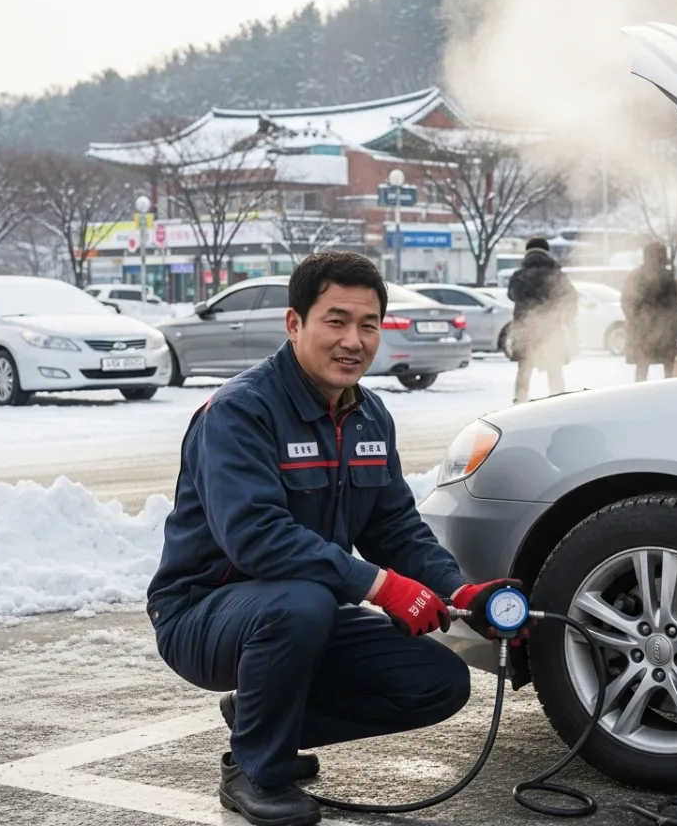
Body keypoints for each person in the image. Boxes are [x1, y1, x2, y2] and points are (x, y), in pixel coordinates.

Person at [145, 251, 517, 826]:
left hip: (301, 613)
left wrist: (458, 592)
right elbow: (257, 539)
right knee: (302, 600)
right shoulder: (240, 413)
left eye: (368, 324)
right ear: (295, 324)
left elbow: (393, 527)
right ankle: (256, 768)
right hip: (202, 616)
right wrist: (380, 586)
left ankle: (260, 718)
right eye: (336, 321)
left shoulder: (369, 416)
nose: (353, 340)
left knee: (438, 681)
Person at [507, 237, 578, 404]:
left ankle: (520, 402)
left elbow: (511, 295)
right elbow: (571, 298)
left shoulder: (520, 275)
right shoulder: (556, 275)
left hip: (526, 329)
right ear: (547, 252)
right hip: (551, 329)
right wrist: (566, 320)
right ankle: (558, 401)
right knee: (554, 367)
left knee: (524, 368)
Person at [621, 240, 677, 382]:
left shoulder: (635, 276)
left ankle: (639, 397)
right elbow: (674, 307)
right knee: (668, 369)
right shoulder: (668, 278)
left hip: (641, 332)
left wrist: (636, 320)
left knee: (642, 368)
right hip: (666, 332)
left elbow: (626, 302)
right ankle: (667, 396)